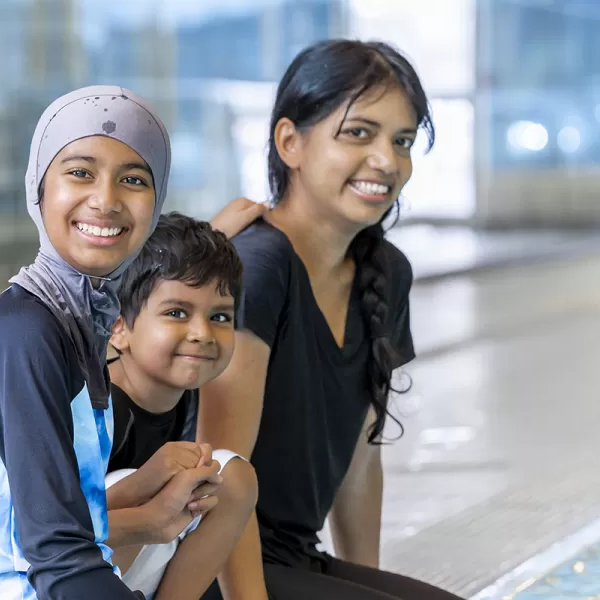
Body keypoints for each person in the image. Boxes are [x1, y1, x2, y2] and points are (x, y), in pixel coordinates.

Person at [0, 85, 222, 600]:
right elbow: (59, 556)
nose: (105, 201)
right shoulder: (26, 333)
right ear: (38, 188)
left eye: (133, 179)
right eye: (80, 172)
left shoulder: (76, 323)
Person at [197, 40, 463, 599]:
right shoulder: (257, 266)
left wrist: (371, 583)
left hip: (295, 560)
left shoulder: (385, 273)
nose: (386, 162)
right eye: (359, 133)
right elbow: (220, 474)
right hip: (208, 567)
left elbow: (360, 462)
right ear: (290, 141)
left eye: (403, 141)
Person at [100, 213, 266, 599]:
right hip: (41, 584)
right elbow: (40, 532)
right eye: (176, 313)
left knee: (231, 478)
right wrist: (144, 492)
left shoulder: (182, 392)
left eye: (220, 316)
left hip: (122, 575)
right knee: (139, 483)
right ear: (118, 327)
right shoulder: (95, 408)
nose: (202, 334)